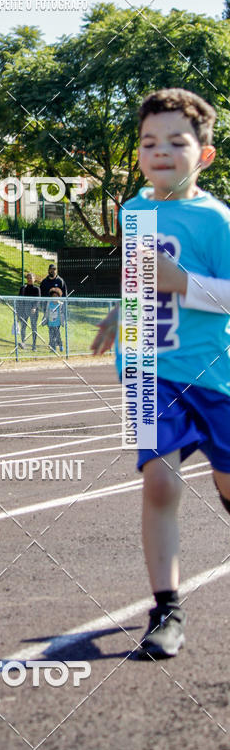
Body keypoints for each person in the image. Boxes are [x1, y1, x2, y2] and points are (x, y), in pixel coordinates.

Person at [91, 87, 230, 659]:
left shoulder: (217, 219)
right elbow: (139, 282)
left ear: (205, 154)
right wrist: (120, 312)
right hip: (151, 372)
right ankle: (166, 608)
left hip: (216, 375)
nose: (161, 151)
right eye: (150, 142)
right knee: (159, 480)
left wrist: (183, 285)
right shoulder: (135, 211)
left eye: (177, 141)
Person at [16, 271, 40, 349]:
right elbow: (19, 300)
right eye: (28, 278)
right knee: (23, 327)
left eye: (31, 278)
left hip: (33, 311)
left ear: (34, 279)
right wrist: (18, 311)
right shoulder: (23, 288)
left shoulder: (37, 289)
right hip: (24, 310)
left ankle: (34, 345)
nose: (29, 279)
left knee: (34, 327)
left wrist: (34, 308)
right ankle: (23, 342)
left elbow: (38, 300)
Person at [42, 288, 65, 352]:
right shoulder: (49, 303)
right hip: (50, 323)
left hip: (57, 323)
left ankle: (60, 345)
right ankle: (53, 348)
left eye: (56, 296)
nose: (55, 297)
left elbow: (62, 314)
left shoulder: (60, 304)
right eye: (53, 296)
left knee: (57, 336)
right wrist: (44, 320)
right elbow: (46, 313)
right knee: (51, 336)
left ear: (59, 296)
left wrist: (62, 322)